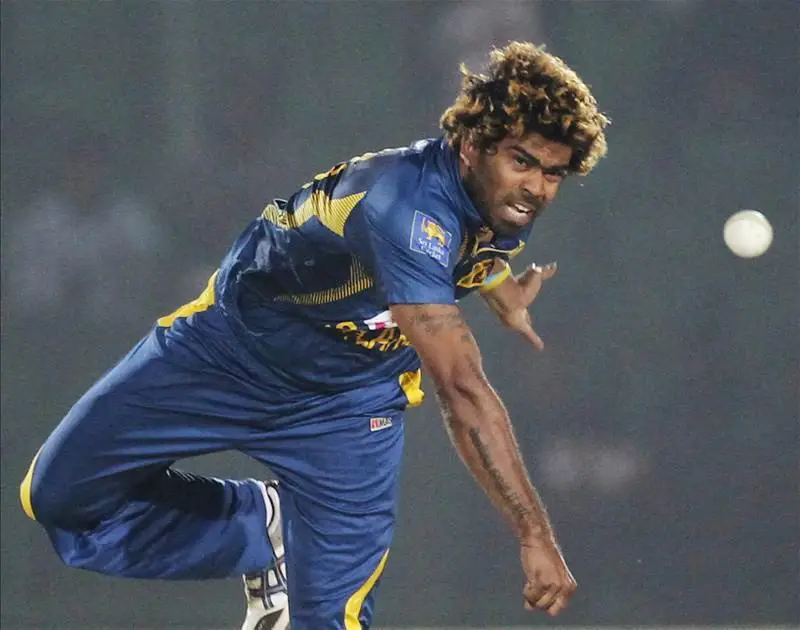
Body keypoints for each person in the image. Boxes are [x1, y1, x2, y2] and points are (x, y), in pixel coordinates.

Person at [20, 42, 609, 630]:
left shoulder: (496, 202)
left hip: (350, 408)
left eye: (553, 173)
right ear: (472, 145)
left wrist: (500, 288)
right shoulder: (403, 204)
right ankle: (265, 528)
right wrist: (533, 535)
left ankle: (298, 551)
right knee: (61, 500)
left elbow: (467, 246)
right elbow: (463, 390)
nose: (537, 187)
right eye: (522, 162)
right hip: (227, 352)